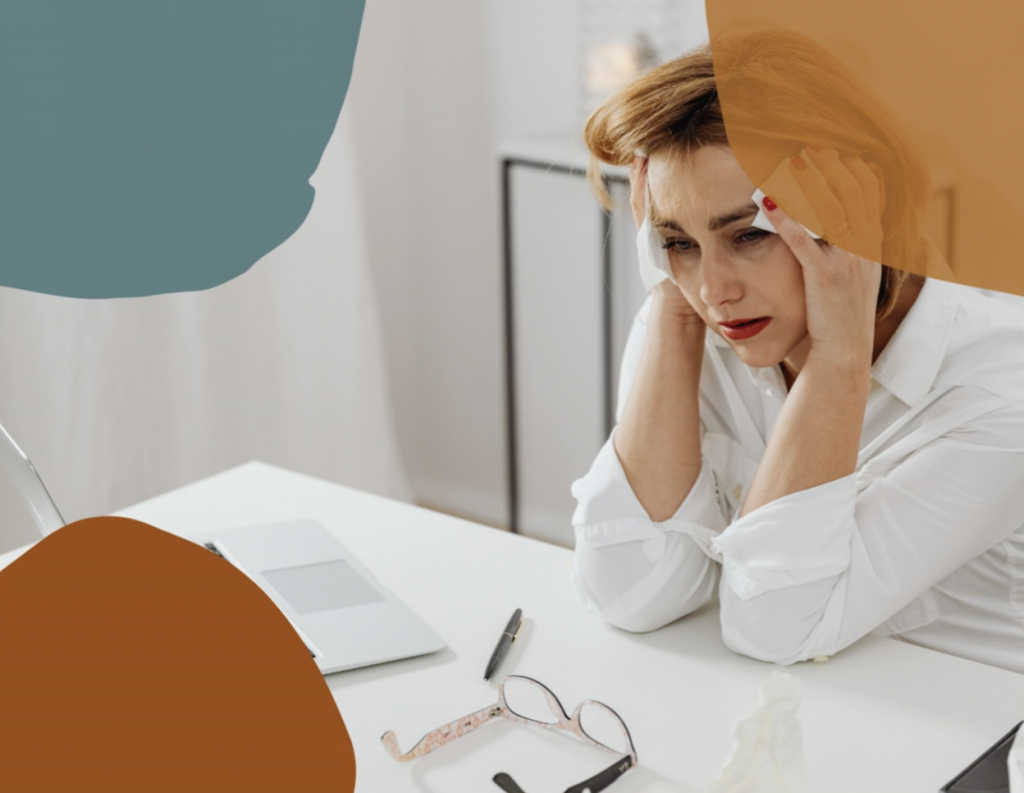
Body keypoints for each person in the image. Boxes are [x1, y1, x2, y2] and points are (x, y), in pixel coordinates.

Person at [570, 32, 1024, 673]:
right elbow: (631, 594)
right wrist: (671, 315)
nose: (713, 290)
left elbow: (771, 628)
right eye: (678, 241)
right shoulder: (694, 317)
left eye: (749, 235)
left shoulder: (1000, 396)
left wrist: (839, 355)